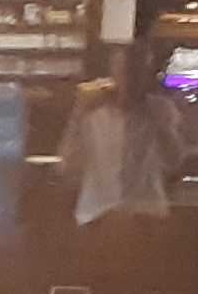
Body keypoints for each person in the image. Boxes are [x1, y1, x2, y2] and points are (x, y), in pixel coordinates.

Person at [58, 48, 179, 227]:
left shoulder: (162, 110)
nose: (128, 78)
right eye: (122, 70)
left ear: (147, 75)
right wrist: (79, 116)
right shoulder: (93, 114)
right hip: (96, 214)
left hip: (146, 215)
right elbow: (67, 166)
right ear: (112, 72)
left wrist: (162, 127)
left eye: (134, 72)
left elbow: (174, 163)